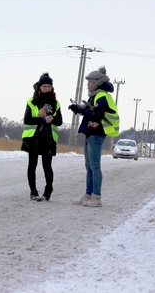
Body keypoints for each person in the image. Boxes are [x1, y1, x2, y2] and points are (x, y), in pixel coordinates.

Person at [68, 66, 120, 207]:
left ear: (97, 82)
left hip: (97, 134)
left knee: (94, 166)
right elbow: (91, 112)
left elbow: (97, 116)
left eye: (90, 81)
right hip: (90, 133)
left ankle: (97, 197)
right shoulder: (96, 96)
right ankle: (88, 194)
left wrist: (82, 111)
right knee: (89, 166)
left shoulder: (102, 96)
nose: (88, 84)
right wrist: (79, 109)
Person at [21, 73, 63, 201]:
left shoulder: (56, 103)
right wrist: (42, 119)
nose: (47, 88)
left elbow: (60, 121)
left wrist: (51, 119)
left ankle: (48, 189)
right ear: (39, 87)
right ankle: (33, 191)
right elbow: (27, 120)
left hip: (48, 138)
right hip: (33, 137)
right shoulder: (31, 101)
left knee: (47, 165)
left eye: (49, 86)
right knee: (32, 164)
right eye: (44, 86)